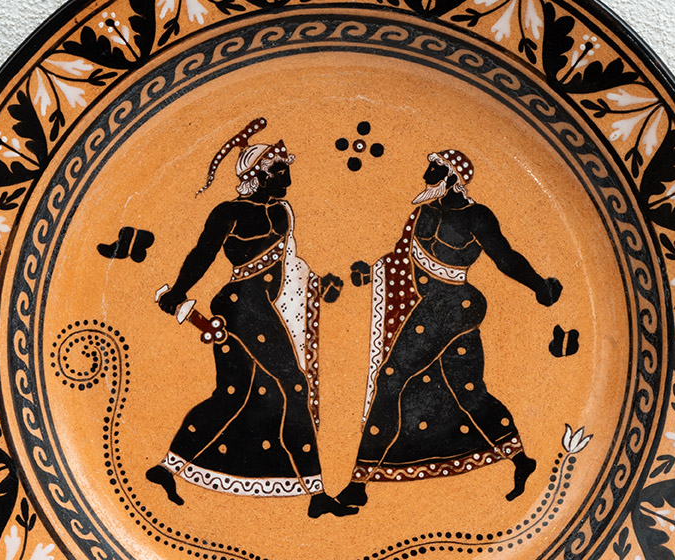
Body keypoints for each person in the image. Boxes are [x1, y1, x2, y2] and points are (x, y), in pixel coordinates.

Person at [147, 118, 355, 518]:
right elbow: (202, 254)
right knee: (294, 384)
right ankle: (316, 496)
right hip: (242, 308)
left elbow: (288, 266)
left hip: (261, 306)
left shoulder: (282, 211)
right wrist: (177, 292)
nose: (287, 177)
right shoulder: (230, 212)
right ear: (256, 175)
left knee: (233, 395)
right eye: (279, 170)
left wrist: (315, 285)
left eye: (286, 169)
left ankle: (166, 468)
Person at [338, 149, 561, 509]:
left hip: (454, 307)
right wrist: (372, 270)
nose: (426, 173)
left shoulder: (476, 216)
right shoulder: (424, 211)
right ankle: (521, 459)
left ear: (452, 177)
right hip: (436, 306)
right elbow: (401, 257)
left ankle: (358, 484)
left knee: (391, 377)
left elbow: (505, 258)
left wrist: (539, 286)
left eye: (434, 168)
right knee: (468, 391)